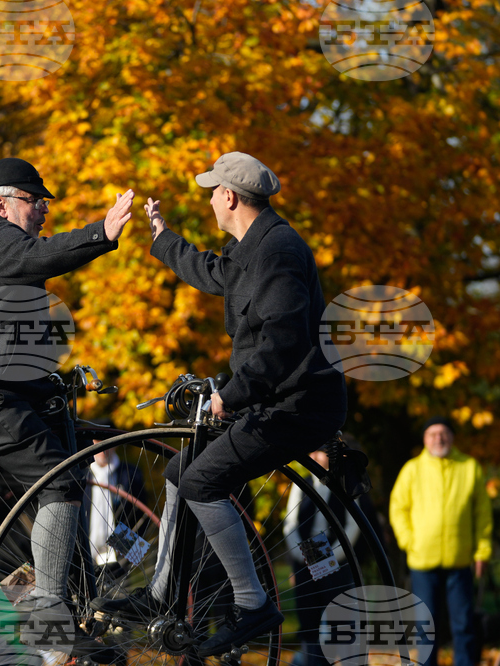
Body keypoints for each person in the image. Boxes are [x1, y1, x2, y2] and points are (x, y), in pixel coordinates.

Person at [93, 152, 347, 657]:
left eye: (212, 192)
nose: (209, 200)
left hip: (298, 405)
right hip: (271, 401)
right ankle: (161, 591)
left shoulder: (279, 251)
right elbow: (212, 272)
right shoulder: (253, 247)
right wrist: (162, 237)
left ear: (229, 197)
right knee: (179, 472)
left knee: (202, 482)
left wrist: (229, 395)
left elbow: (283, 341)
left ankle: (252, 603)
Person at [0, 157, 134, 661]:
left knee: (52, 481)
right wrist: (101, 231)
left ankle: (60, 610)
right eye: (34, 201)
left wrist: (58, 400)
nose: (43, 211)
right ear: (0, 205)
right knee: (58, 481)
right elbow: (44, 256)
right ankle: (46, 615)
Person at [389, 416, 492, 666]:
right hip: (422, 561)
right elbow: (398, 508)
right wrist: (409, 541)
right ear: (425, 439)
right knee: (426, 625)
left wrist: (483, 551)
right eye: (432, 434)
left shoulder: (470, 467)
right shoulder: (412, 469)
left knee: (464, 624)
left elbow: (482, 514)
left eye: (443, 433)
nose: (439, 438)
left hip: (460, 560)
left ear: (452, 437)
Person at [283, 440, 371, 666]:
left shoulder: (345, 483)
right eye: (311, 452)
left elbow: (353, 525)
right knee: (309, 618)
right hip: (305, 556)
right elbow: (290, 523)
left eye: (319, 452)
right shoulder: (301, 483)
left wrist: (334, 556)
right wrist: (300, 555)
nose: (313, 456)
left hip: (336, 558)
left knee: (341, 619)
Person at [85, 443, 147, 568]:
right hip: (84, 551)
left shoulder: (130, 473)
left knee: (120, 578)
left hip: (118, 553)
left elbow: (141, 516)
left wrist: (128, 559)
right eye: (97, 441)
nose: (103, 448)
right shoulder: (80, 473)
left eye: (107, 442)